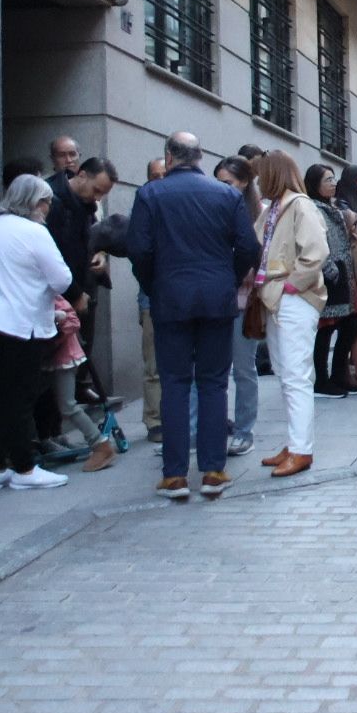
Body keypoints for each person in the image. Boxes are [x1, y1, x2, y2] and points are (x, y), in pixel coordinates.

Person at [129, 133, 259, 499]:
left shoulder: (150, 194)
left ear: (168, 156)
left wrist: (155, 283)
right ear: (201, 157)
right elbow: (249, 247)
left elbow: (138, 249)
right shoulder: (226, 194)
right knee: (214, 382)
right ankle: (214, 470)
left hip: (170, 298)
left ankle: (174, 476)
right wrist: (228, 279)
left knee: (174, 383)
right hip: (217, 298)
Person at [0, 175, 75, 491]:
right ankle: (25, 468)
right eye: (46, 202)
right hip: (16, 325)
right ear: (36, 203)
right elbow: (62, 278)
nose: (48, 208)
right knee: (19, 398)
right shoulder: (34, 231)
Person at [251, 151, 328, 476]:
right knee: (287, 375)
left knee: (295, 376)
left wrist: (291, 286)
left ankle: (301, 449)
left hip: (291, 299)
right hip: (276, 299)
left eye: (261, 176)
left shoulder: (299, 205)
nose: (257, 182)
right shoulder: (274, 209)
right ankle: (296, 442)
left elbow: (317, 252)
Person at [45, 156, 117, 407]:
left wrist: (99, 253)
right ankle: (48, 428)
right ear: (82, 175)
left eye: (103, 194)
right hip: (58, 294)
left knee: (80, 348)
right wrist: (73, 293)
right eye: (97, 190)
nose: (97, 198)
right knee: (54, 361)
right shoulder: (52, 200)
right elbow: (51, 255)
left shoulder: (86, 207)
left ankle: (79, 388)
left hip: (82, 287)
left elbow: (93, 236)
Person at [214, 156, 266, 455]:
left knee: (243, 369)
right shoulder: (214, 208)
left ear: (244, 183)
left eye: (228, 183)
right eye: (219, 182)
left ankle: (245, 431)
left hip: (243, 301)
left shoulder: (257, 214)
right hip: (217, 300)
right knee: (213, 371)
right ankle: (215, 426)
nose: (223, 188)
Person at [42, 294, 116, 471]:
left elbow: (73, 321)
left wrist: (55, 334)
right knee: (56, 402)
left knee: (67, 405)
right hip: (53, 358)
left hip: (64, 358)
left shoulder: (51, 294)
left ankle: (99, 443)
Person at [304, 165, 357, 401]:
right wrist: (329, 269)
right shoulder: (311, 208)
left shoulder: (332, 207)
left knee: (349, 324)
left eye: (334, 178)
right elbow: (314, 243)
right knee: (325, 330)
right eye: (328, 179)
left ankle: (339, 375)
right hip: (327, 275)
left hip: (342, 273)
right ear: (315, 184)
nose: (333, 183)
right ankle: (322, 380)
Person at [136, 157, 166, 442]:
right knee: (154, 364)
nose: (160, 180)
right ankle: (155, 421)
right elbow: (138, 252)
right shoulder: (143, 206)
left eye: (164, 174)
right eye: (154, 176)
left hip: (180, 295)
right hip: (152, 296)